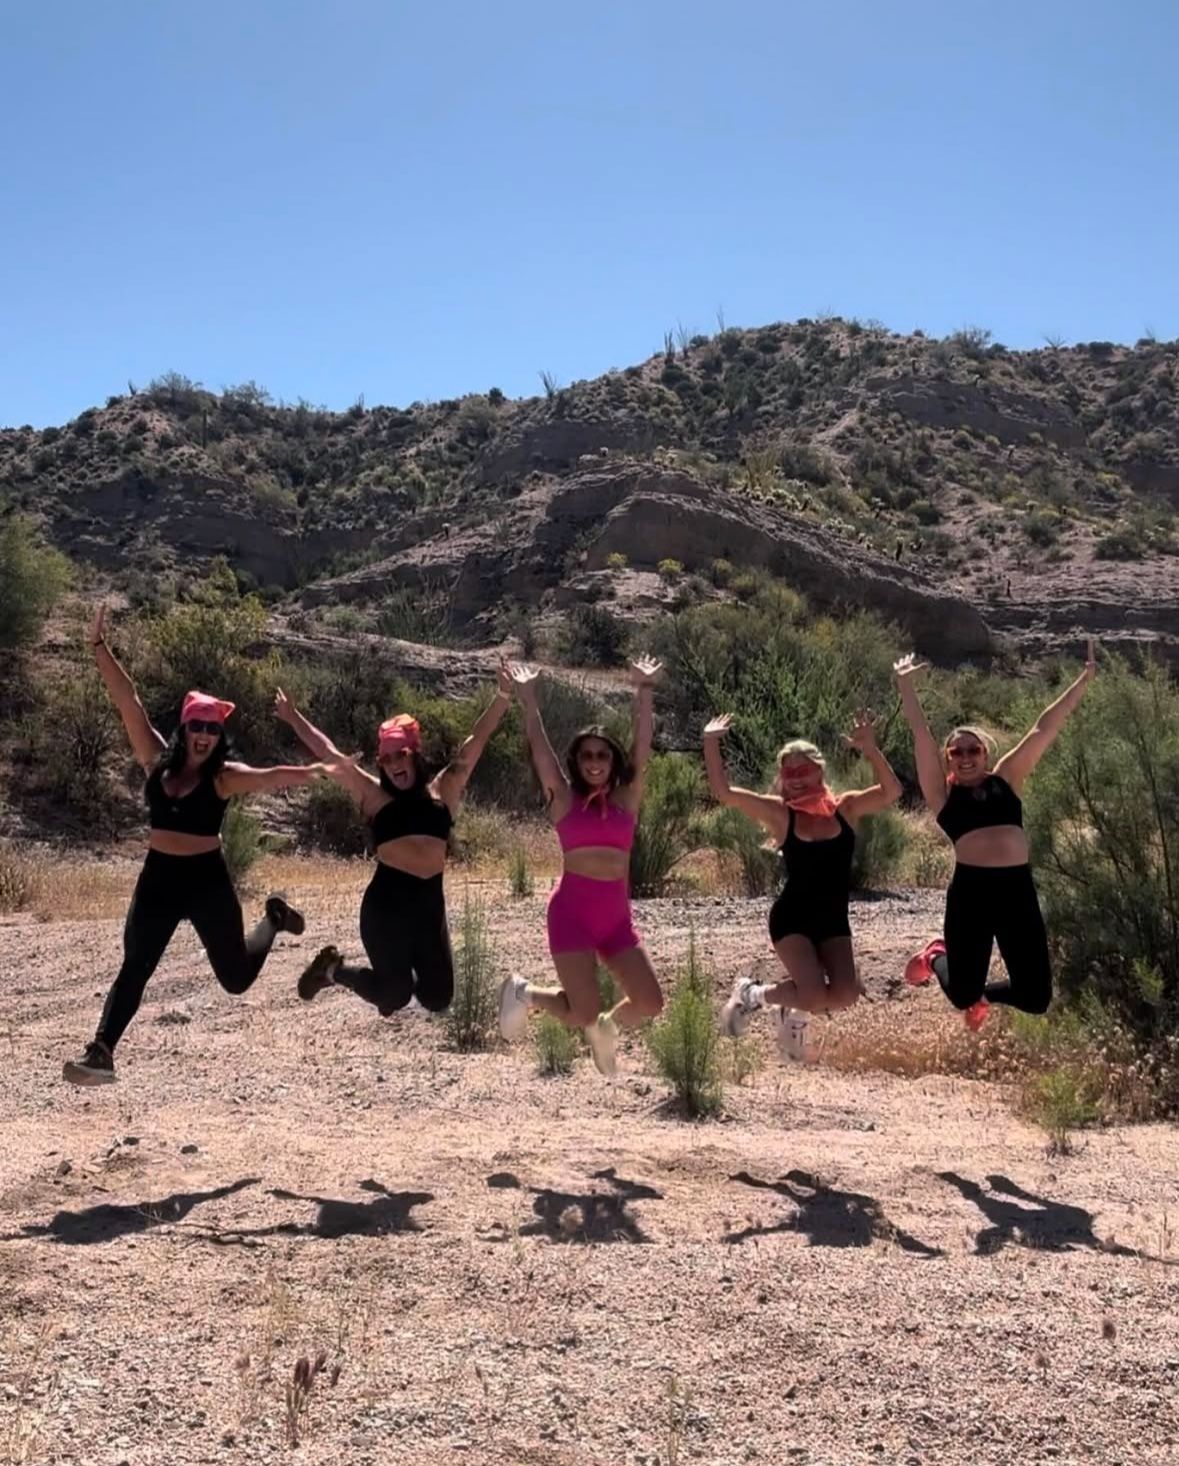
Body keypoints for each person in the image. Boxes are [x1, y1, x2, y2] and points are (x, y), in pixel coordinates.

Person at [63, 606, 326, 1086]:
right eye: (197, 727)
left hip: (206, 881)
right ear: (183, 731)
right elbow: (128, 701)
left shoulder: (223, 779)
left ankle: (272, 918)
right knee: (136, 965)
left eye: (212, 729)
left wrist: (315, 771)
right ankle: (101, 1051)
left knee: (236, 981)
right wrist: (99, 647)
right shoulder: (156, 763)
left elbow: (270, 778)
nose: (205, 735)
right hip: (159, 881)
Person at [279, 665, 514, 1017]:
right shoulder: (374, 799)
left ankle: (383, 978)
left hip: (428, 909)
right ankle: (331, 971)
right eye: (385, 759)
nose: (392, 764)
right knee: (395, 995)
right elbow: (328, 754)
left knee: (438, 998)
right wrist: (293, 716)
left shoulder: (443, 791)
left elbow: (474, 744)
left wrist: (503, 697)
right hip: (385, 912)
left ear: (414, 754)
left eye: (399, 754)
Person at [894, 639, 1097, 1029]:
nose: (966, 756)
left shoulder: (1006, 780)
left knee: (1036, 996)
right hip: (972, 894)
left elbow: (1044, 728)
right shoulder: (944, 797)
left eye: (973, 750)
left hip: (1017, 891)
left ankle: (987, 996)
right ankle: (936, 956)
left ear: (986, 754)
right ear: (949, 760)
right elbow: (921, 735)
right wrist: (906, 688)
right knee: (961, 993)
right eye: (957, 752)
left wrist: (1083, 681)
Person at [497, 658, 665, 1077]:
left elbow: (643, 749)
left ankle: (607, 1030)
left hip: (615, 921)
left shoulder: (627, 801)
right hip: (572, 917)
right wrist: (529, 697)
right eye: (587, 755)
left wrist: (643, 690)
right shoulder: (565, 801)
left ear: (612, 760)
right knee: (580, 1012)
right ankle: (524, 993)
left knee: (651, 1003)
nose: (594, 762)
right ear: (578, 761)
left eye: (602, 755)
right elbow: (540, 751)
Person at [707, 712, 903, 1058]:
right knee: (813, 995)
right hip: (793, 918)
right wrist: (711, 741)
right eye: (788, 772)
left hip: (833, 919)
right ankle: (751, 994)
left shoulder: (846, 808)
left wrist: (871, 750)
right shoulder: (781, 813)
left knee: (845, 995)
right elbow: (725, 793)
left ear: (819, 771)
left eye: (802, 771)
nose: (795, 779)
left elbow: (892, 791)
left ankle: (787, 1009)